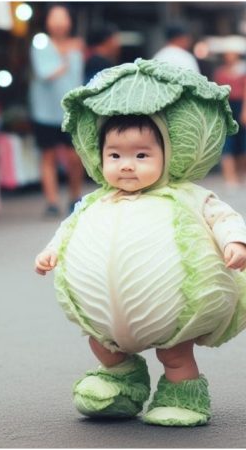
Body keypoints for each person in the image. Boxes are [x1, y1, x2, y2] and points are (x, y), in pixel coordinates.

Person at [35, 59, 246, 426]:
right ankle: (122, 377)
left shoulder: (185, 196)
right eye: (115, 155)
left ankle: (183, 395)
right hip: (109, 318)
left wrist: (236, 243)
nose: (126, 166)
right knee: (101, 344)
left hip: (171, 309)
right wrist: (51, 251)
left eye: (141, 155)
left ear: (168, 156)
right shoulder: (97, 200)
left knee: (175, 354)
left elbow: (222, 216)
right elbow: (70, 228)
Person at [28, 5, 85, 217]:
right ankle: (51, 201)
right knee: (48, 156)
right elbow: (45, 73)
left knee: (74, 157)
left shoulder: (78, 45)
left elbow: (78, 77)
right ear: (47, 21)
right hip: (45, 111)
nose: (59, 22)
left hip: (70, 110)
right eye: (55, 18)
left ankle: (75, 195)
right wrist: (64, 56)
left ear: (70, 22)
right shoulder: (40, 43)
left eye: (63, 18)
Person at [213, 46, 246, 188]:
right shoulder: (220, 72)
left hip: (240, 106)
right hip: (227, 106)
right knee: (227, 143)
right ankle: (230, 177)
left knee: (242, 143)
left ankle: (241, 174)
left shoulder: (243, 71)